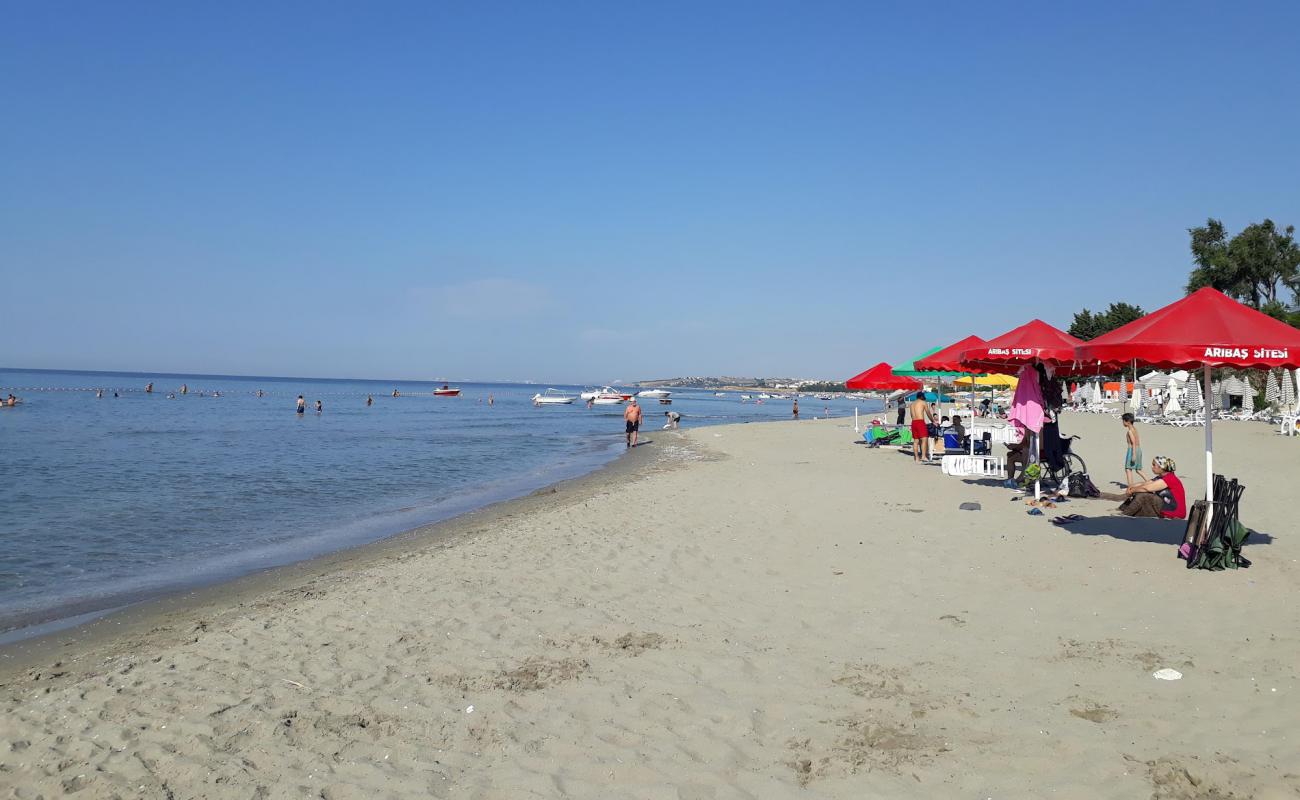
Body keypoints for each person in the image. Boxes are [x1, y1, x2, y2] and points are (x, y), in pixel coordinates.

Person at [1119, 457, 1186, 518]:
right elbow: (1144, 483)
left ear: (1161, 468)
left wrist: (1132, 490)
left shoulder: (1170, 478)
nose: (1152, 467)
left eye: (1154, 465)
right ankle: (1122, 509)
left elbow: (1147, 488)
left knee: (1143, 496)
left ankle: (1124, 516)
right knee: (1138, 494)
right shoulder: (1161, 477)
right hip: (1164, 507)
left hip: (1174, 512)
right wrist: (1131, 487)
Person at [1121, 412, 1147, 487]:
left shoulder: (1130, 431)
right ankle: (1149, 482)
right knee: (1138, 469)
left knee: (1128, 469)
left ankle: (1130, 487)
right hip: (1139, 450)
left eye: (1123, 421)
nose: (1122, 422)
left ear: (1128, 422)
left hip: (1132, 450)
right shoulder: (1134, 429)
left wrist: (1133, 454)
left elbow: (1133, 443)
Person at [909, 392, 934, 462]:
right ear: (922, 396)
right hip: (920, 422)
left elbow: (911, 415)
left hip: (913, 422)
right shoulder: (923, 402)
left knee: (916, 441)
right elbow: (928, 413)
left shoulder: (912, 404)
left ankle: (916, 458)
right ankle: (923, 456)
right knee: (924, 439)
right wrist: (933, 421)